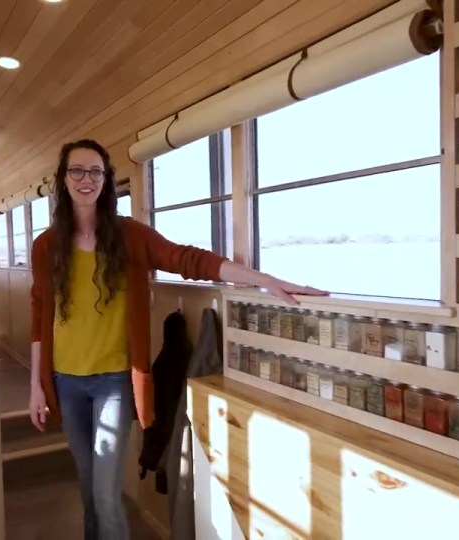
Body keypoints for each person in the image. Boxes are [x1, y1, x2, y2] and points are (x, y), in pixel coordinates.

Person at [28, 139, 327, 539]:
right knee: (88, 487)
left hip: (114, 383)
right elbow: (39, 315)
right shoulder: (45, 247)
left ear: (106, 180)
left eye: (96, 172)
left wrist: (263, 280)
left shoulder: (130, 236)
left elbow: (188, 260)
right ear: (64, 180)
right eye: (77, 171)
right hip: (65, 381)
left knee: (105, 491)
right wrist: (36, 386)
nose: (87, 179)